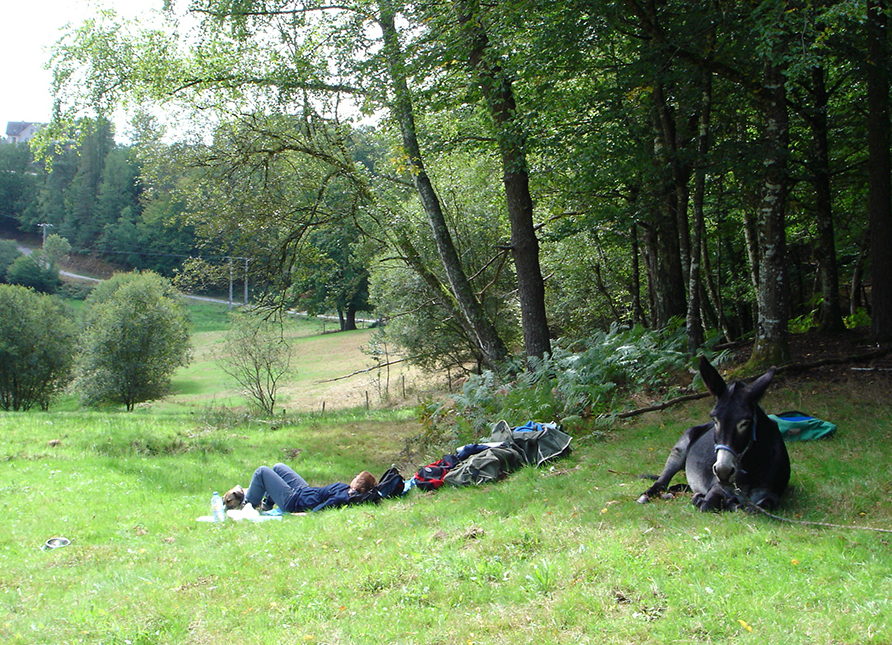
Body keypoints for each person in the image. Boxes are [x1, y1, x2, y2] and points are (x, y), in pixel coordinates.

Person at [224, 464, 377, 513]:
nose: (354, 476)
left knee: (262, 471)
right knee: (278, 467)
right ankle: (267, 505)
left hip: (295, 501)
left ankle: (247, 507)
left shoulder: (344, 496)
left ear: (357, 485)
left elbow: (324, 507)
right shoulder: (345, 489)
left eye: (357, 477)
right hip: (304, 491)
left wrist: (306, 515)